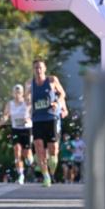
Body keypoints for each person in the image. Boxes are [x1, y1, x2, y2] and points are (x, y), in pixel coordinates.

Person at [26, 60, 66, 188]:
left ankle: (52, 172)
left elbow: (62, 94)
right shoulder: (30, 84)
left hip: (51, 118)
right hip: (37, 119)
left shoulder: (52, 80)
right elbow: (27, 100)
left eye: (40, 68)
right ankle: (46, 177)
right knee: (39, 149)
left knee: (53, 150)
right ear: (33, 69)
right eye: (36, 68)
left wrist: (57, 103)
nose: (38, 70)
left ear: (45, 68)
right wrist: (27, 107)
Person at [0, 84, 33, 185]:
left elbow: (32, 110)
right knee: (17, 151)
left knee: (26, 153)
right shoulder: (10, 104)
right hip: (16, 129)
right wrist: (3, 120)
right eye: (15, 92)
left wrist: (29, 117)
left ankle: (29, 159)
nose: (17, 94)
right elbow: (6, 115)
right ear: (13, 93)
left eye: (19, 92)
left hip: (27, 129)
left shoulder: (26, 102)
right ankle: (21, 175)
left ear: (22, 93)